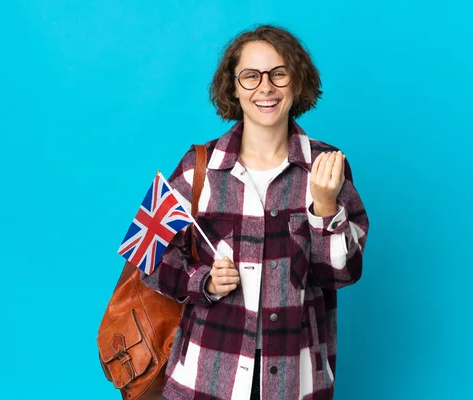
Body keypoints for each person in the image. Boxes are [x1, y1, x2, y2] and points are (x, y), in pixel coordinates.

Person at [141, 24, 369, 400]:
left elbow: (341, 274)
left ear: (297, 83)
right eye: (250, 76)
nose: (265, 87)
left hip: (296, 379)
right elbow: (147, 257)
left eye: (278, 74)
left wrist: (325, 207)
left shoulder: (327, 166)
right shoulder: (198, 165)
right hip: (206, 375)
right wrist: (204, 282)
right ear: (233, 87)